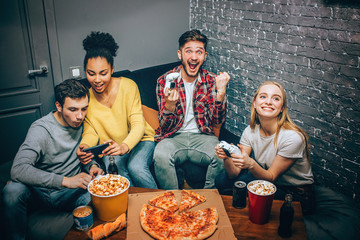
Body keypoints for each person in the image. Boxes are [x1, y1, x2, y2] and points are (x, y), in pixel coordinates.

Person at [2, 79, 103, 240]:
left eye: (84, 109)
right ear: (58, 106)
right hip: (42, 193)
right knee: (12, 190)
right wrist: (65, 180)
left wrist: (92, 165)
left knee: (103, 198)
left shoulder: (85, 122)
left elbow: (85, 153)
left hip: (73, 193)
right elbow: (18, 168)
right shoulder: (41, 129)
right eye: (73, 109)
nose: (80, 116)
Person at [215, 81, 315, 214]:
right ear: (255, 103)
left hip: (295, 192)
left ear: (282, 108)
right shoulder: (249, 131)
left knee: (240, 187)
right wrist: (227, 157)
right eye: (263, 96)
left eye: (276, 98)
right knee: (222, 180)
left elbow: (271, 176)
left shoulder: (292, 137)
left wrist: (250, 163)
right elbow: (234, 173)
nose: (268, 102)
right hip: (270, 182)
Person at [77, 31, 157, 189]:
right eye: (91, 74)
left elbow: (138, 124)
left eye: (103, 73)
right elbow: (91, 130)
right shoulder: (86, 97)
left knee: (137, 168)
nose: (97, 80)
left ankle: (159, 205)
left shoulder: (128, 86)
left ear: (112, 69)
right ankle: (132, 209)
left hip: (141, 140)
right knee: (117, 170)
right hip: (111, 148)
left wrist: (124, 147)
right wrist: (85, 146)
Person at [153, 29, 230, 190]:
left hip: (202, 137)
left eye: (199, 52)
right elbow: (164, 126)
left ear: (204, 56)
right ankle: (173, 201)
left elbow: (216, 121)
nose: (194, 57)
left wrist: (220, 94)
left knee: (222, 156)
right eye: (188, 51)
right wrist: (169, 106)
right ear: (180, 54)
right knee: (160, 155)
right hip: (173, 137)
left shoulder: (211, 81)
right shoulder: (164, 81)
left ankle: (208, 201)